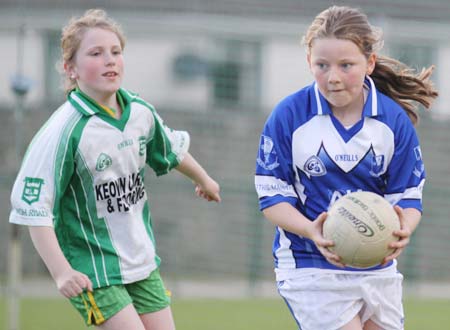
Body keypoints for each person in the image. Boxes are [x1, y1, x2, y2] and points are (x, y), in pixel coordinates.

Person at [9, 9, 221, 330]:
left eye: (116, 52)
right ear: (71, 69)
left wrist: (204, 179)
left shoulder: (139, 111)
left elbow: (171, 149)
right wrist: (61, 272)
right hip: (94, 269)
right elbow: (32, 206)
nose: (110, 60)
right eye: (96, 53)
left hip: (141, 262)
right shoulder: (64, 131)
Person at [254, 5, 438, 330]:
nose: (333, 77)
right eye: (321, 65)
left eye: (346, 65)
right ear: (308, 62)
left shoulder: (393, 121)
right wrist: (312, 230)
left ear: (370, 63)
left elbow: (408, 196)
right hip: (309, 262)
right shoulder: (289, 116)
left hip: (376, 264)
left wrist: (403, 228)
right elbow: (272, 198)